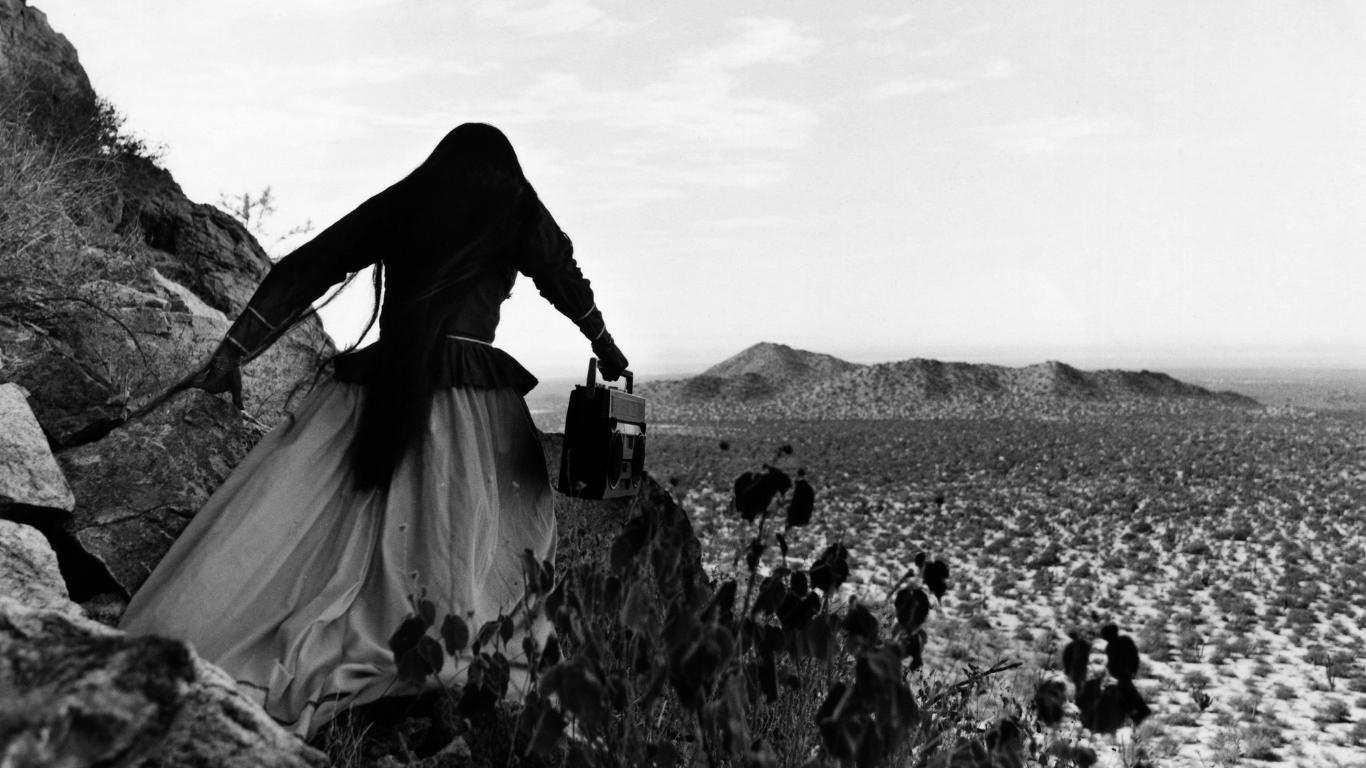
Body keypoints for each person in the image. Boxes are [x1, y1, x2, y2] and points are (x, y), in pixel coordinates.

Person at [118, 123, 628, 739]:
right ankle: (439, 648)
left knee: (319, 523)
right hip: (471, 400)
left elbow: (310, 266)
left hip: (376, 388)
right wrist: (605, 345)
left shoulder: (406, 200)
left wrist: (234, 351)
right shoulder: (513, 204)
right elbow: (562, 275)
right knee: (483, 531)